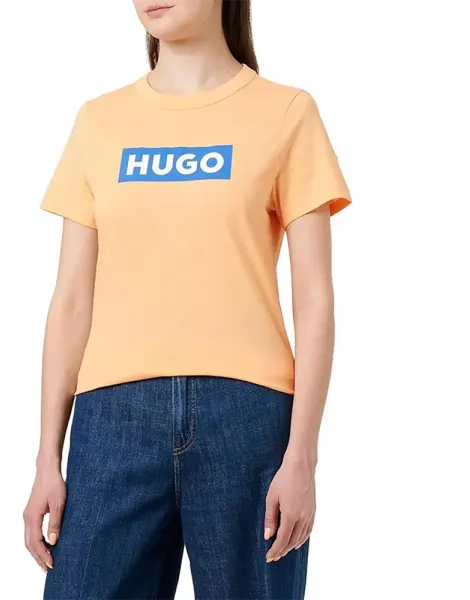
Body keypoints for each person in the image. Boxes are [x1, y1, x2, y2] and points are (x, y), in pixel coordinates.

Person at [24, 0, 351, 598]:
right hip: (110, 420)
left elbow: (315, 300)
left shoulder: (286, 112)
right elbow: (70, 300)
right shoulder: (100, 122)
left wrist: (302, 455)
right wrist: (48, 456)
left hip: (247, 416)